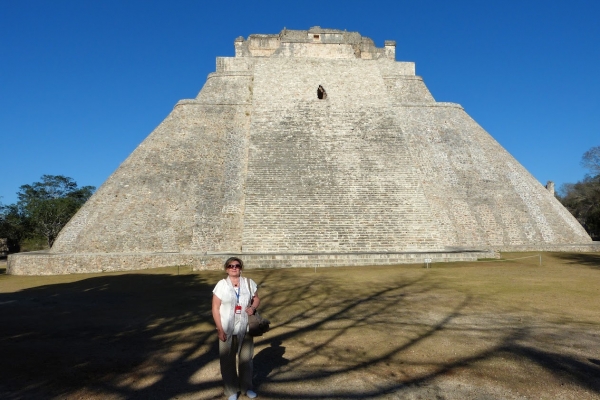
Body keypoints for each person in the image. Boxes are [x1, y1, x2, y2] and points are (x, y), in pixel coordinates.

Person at [212, 257, 260, 400]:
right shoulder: (221, 285)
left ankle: (246, 388)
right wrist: (219, 329)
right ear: (227, 269)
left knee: (246, 360)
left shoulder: (248, 283)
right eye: (231, 266)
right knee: (227, 361)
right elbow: (215, 308)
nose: (234, 268)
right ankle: (231, 390)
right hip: (227, 329)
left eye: (237, 266)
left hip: (245, 328)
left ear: (241, 268)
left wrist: (252, 307)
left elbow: (256, 298)